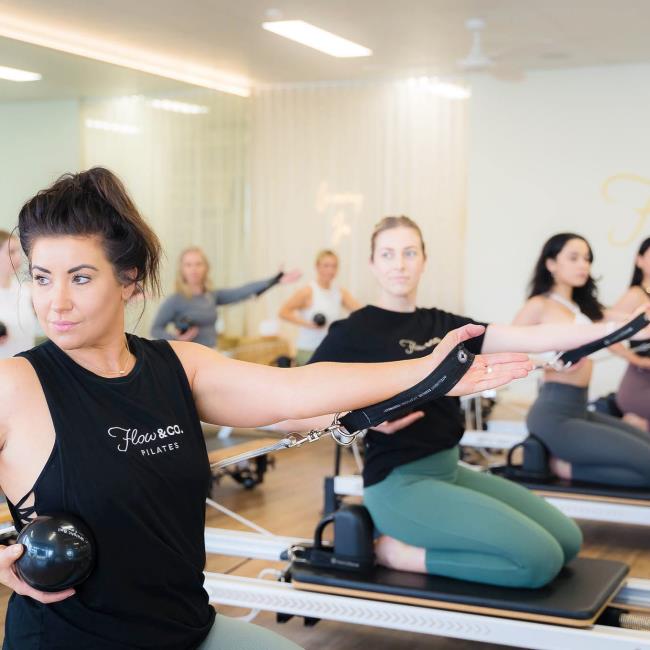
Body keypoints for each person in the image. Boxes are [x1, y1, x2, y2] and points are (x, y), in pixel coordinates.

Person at [0, 169, 532, 650]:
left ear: (129, 280)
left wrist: (431, 373)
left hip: (186, 628)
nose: (55, 302)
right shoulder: (16, 385)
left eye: (81, 277)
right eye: (42, 278)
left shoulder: (177, 366)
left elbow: (295, 389)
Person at [299, 217, 649, 589]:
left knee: (568, 540)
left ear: (424, 260)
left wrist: (618, 328)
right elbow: (293, 407)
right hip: (398, 483)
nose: (399, 264)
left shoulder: (445, 325)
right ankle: (396, 553)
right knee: (539, 561)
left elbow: (530, 337)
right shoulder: (354, 331)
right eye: (387, 254)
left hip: (448, 469)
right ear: (372, 263)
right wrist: (355, 418)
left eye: (409, 253)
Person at [515, 233, 650, 486]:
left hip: (579, 409)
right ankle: (562, 467)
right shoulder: (539, 305)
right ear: (551, 263)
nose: (583, 265)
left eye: (587, 259)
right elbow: (505, 349)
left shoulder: (580, 307)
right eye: (574, 258)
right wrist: (547, 362)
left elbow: (625, 321)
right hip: (554, 414)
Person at [151, 246, 301, 347]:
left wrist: (274, 280)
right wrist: (176, 339)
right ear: (182, 269)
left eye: (198, 264)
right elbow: (155, 329)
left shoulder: (212, 296)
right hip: (187, 357)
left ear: (206, 268)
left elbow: (242, 291)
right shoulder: (175, 300)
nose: (194, 269)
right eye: (188, 265)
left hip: (211, 352)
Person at [279, 250, 360, 365]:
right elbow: (283, 312)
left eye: (334, 266)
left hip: (330, 349)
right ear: (317, 267)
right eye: (326, 266)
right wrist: (308, 324)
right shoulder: (307, 291)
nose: (330, 270)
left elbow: (361, 312)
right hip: (309, 350)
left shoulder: (340, 292)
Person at [611, 237, 650, 427]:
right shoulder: (636, 295)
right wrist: (638, 360)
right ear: (639, 260)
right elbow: (607, 335)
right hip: (640, 384)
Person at [0, 230, 37, 359]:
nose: (18, 258)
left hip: (27, 366)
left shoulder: (28, 290)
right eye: (11, 252)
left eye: (18, 252)